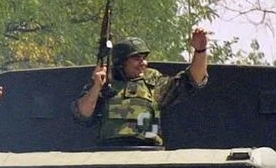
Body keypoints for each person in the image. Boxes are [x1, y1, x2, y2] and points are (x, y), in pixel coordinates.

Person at [72, 30, 210, 146]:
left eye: (144, 58)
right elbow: (82, 114)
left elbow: (193, 80)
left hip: (147, 156)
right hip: (109, 156)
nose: (143, 63)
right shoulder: (104, 83)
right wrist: (96, 87)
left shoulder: (154, 82)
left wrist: (200, 50)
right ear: (121, 61)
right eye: (137, 58)